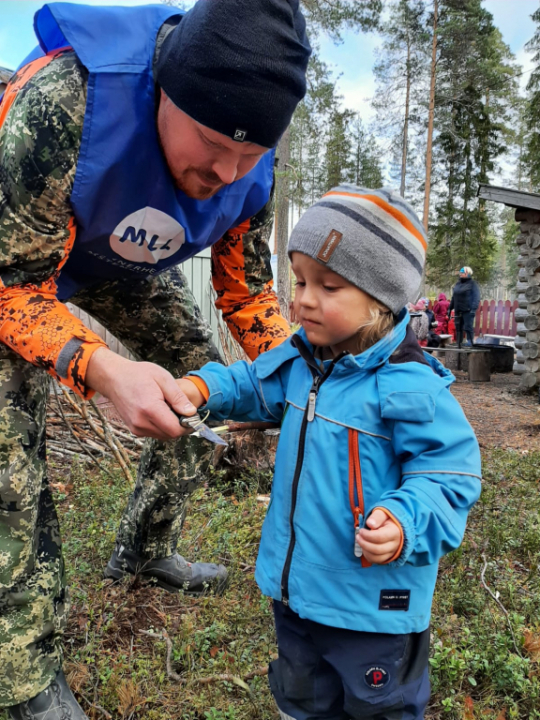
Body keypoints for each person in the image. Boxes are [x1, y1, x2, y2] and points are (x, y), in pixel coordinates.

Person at [0, 1, 311, 716]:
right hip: (17, 270)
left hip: (112, 263)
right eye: (210, 143)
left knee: (203, 379)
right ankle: (20, 680)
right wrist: (102, 369)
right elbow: (15, 288)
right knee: (9, 451)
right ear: (165, 88)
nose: (227, 173)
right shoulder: (62, 104)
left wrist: (316, 370)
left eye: (252, 154)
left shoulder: (245, 173)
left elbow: (249, 297)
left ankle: (144, 548)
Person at [177, 186, 482, 720]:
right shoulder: (301, 362)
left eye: (329, 285)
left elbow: (449, 476)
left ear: (380, 300)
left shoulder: (410, 387)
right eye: (299, 281)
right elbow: (252, 382)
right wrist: (203, 389)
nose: (303, 300)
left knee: (378, 707)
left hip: (371, 612)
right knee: (303, 698)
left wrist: (405, 522)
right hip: (297, 594)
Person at [449, 267, 480, 347]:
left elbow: (476, 297)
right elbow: (454, 297)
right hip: (458, 309)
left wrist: (473, 309)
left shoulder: (473, 284)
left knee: (468, 327)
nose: (460, 274)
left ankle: (470, 342)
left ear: (467, 273)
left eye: (462, 272)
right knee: (458, 327)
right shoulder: (458, 284)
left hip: (468, 310)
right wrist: (450, 308)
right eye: (460, 272)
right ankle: (459, 343)